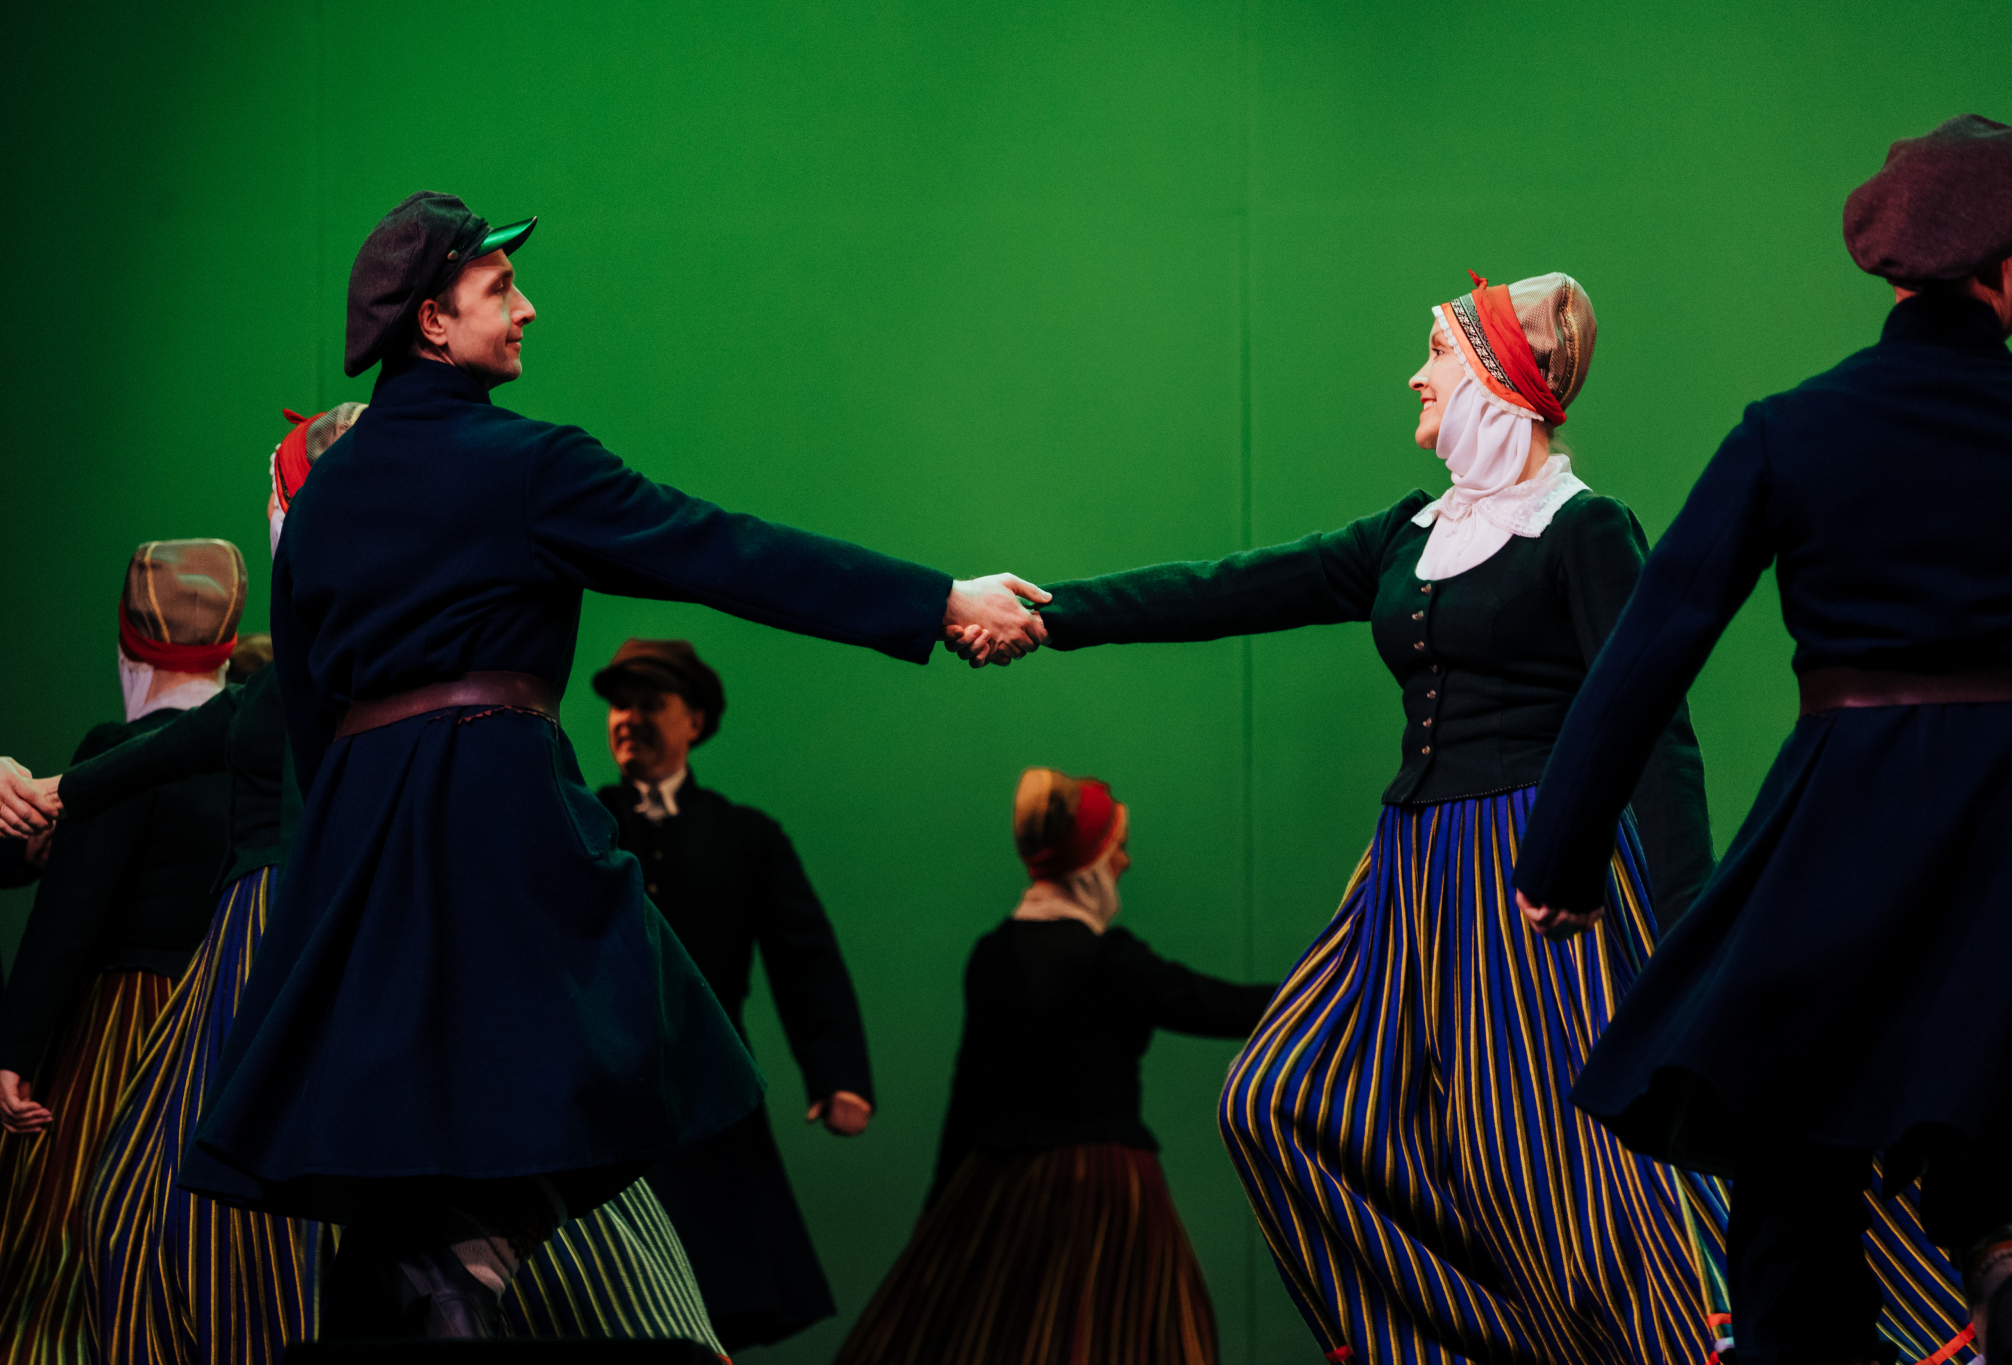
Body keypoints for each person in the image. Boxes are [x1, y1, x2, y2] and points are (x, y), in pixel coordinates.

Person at [177, 191, 1052, 1341]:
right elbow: (722, 550)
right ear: (432, 322)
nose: (526, 308)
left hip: (356, 841)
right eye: (500, 289)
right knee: (629, 1053)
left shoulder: (325, 496)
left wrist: (350, 837)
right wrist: (937, 599)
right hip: (493, 819)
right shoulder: (527, 465)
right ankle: (452, 1278)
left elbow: (306, 702)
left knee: (415, 1154)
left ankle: (426, 1288)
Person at [1016, 272, 1729, 1364]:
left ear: (1498, 376)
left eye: (1436, 353)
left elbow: (1654, 730)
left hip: (1534, 874)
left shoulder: (1582, 529)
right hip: (1409, 872)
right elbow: (1231, 588)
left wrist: (1689, 941)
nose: (1415, 375)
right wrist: (1050, 615)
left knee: (1564, 1171)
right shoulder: (1412, 530)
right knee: (1272, 1101)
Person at [44, 408, 750, 1361]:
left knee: (418, 1167)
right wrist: (58, 789)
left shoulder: (382, 637)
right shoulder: (342, 645)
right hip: (340, 928)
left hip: (348, 924)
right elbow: (199, 736)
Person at [1513, 114, 2012, 1365]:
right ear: (2011, 263)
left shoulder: (1791, 431)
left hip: (1848, 814)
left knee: (1790, 1138)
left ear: (1893, 270)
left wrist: (1561, 858)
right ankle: (2011, 1250)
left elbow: (1650, 648)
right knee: (2009, 1069)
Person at [836, 768, 1273, 1365]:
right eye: (1117, 847)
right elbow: (1219, 1006)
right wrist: (1340, 983)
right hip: (1103, 1187)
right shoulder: (1106, 960)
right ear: (1090, 860)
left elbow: (970, 1092)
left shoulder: (993, 953)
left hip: (996, 1184)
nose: (1125, 862)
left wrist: (939, 1203)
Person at [0, 539, 245, 1365]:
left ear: (127, 648)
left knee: (74, 1236)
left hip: (122, 1032)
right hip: (223, 1021)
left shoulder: (119, 752)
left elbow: (68, 917)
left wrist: (14, 1051)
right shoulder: (254, 750)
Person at [594, 637, 876, 1349]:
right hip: (599, 1093)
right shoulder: (582, 825)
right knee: (600, 1293)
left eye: (651, 702)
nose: (630, 718)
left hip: (710, 1095)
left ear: (695, 719)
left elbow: (805, 959)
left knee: (715, 1288)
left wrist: (837, 1074)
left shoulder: (744, 836)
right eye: (620, 704)